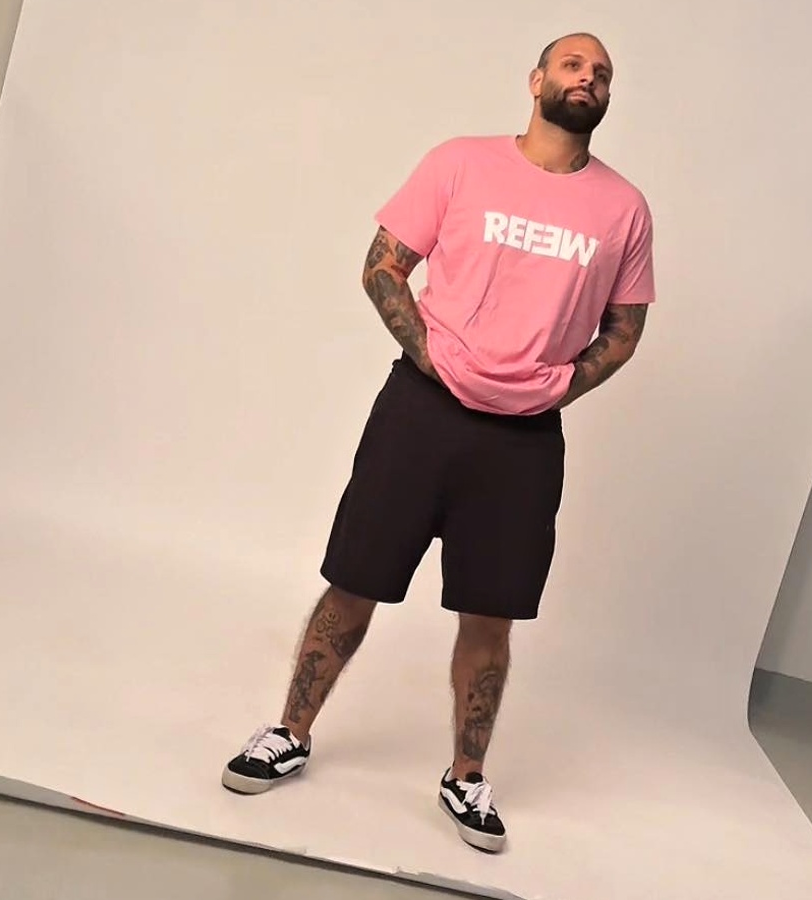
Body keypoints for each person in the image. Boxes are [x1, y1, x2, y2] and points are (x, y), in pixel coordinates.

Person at [220, 32, 656, 855]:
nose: (588, 78)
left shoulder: (623, 208)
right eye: (573, 64)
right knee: (354, 581)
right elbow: (382, 266)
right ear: (536, 79)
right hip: (421, 413)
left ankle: (466, 776)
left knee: (490, 615)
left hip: (524, 442)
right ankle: (288, 732)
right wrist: (431, 357)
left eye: (602, 74)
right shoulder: (461, 162)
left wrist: (557, 386)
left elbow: (626, 329)